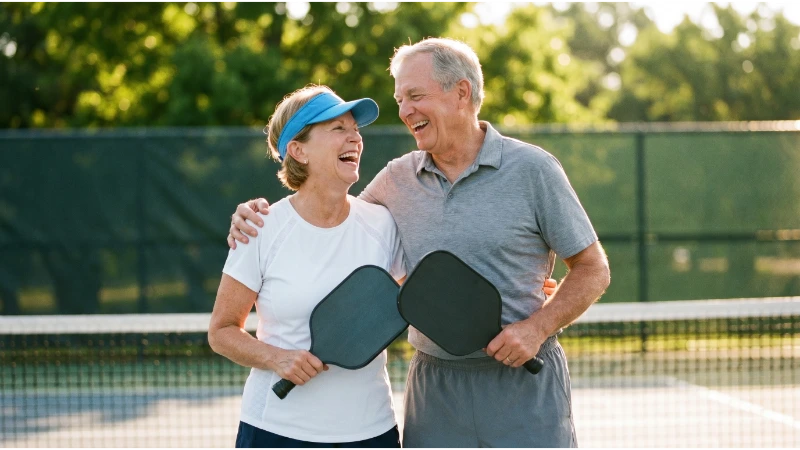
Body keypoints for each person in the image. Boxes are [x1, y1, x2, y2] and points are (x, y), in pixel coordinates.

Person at [228, 38, 610, 450]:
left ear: (461, 92)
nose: (404, 111)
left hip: (524, 381)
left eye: (415, 96)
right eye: (399, 100)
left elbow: (593, 268)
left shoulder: (534, 170)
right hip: (435, 389)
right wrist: (254, 215)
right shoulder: (396, 180)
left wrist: (538, 326)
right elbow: (329, 213)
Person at [208, 85, 406, 450]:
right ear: (299, 151)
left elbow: (418, 296)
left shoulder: (383, 224)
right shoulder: (260, 228)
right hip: (277, 433)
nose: (355, 138)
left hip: (371, 432)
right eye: (338, 129)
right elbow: (221, 331)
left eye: (355, 129)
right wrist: (277, 358)